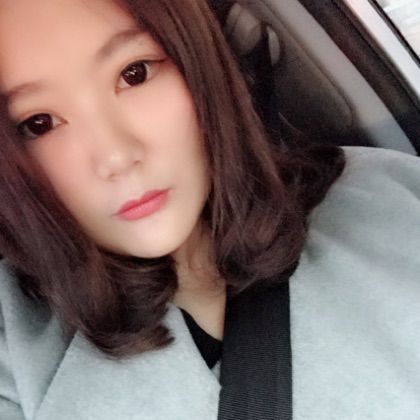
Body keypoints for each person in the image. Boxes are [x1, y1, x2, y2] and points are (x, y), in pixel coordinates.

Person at [0, 1, 418, 419]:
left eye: (135, 74)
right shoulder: (16, 351)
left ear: (197, 60)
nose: (117, 156)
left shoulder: (390, 201)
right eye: (39, 123)